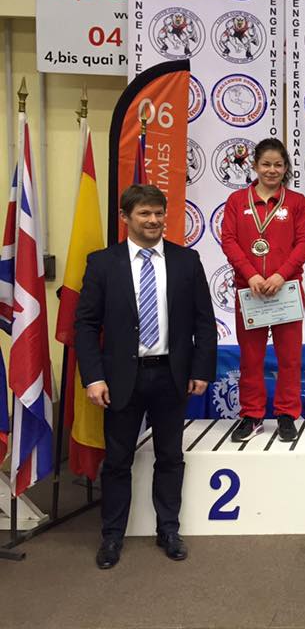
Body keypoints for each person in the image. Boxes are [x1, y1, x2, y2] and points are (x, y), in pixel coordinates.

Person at [74, 184, 217, 570]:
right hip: (121, 378)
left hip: (172, 375)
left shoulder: (187, 261)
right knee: (118, 461)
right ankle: (112, 536)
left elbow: (205, 322)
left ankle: (168, 530)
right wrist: (93, 377)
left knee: (170, 457)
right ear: (125, 218)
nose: (153, 220)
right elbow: (85, 325)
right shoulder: (103, 263)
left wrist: (201, 369)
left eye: (158, 213)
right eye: (144, 214)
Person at [221, 138, 305, 443]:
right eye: (266, 164)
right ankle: (252, 415)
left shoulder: (296, 201)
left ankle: (286, 414)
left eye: (278, 165)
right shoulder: (237, 201)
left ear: (286, 168)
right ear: (254, 166)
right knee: (250, 358)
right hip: (250, 292)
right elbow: (229, 240)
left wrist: (280, 275)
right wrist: (250, 275)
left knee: (289, 357)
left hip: (285, 289)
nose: (272, 170)